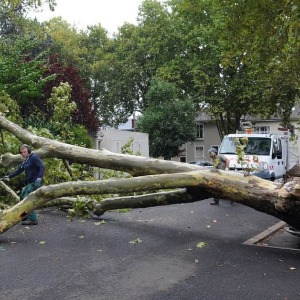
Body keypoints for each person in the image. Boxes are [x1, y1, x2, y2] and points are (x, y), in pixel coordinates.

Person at [3, 144, 45, 225]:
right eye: (21, 152)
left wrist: (39, 178)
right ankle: (25, 215)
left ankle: (33, 219)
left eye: (24, 152)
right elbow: (19, 170)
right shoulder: (26, 160)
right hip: (30, 182)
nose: (23, 154)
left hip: (36, 182)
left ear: (28, 151)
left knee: (28, 199)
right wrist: (9, 176)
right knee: (22, 196)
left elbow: (42, 167)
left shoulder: (34, 157)